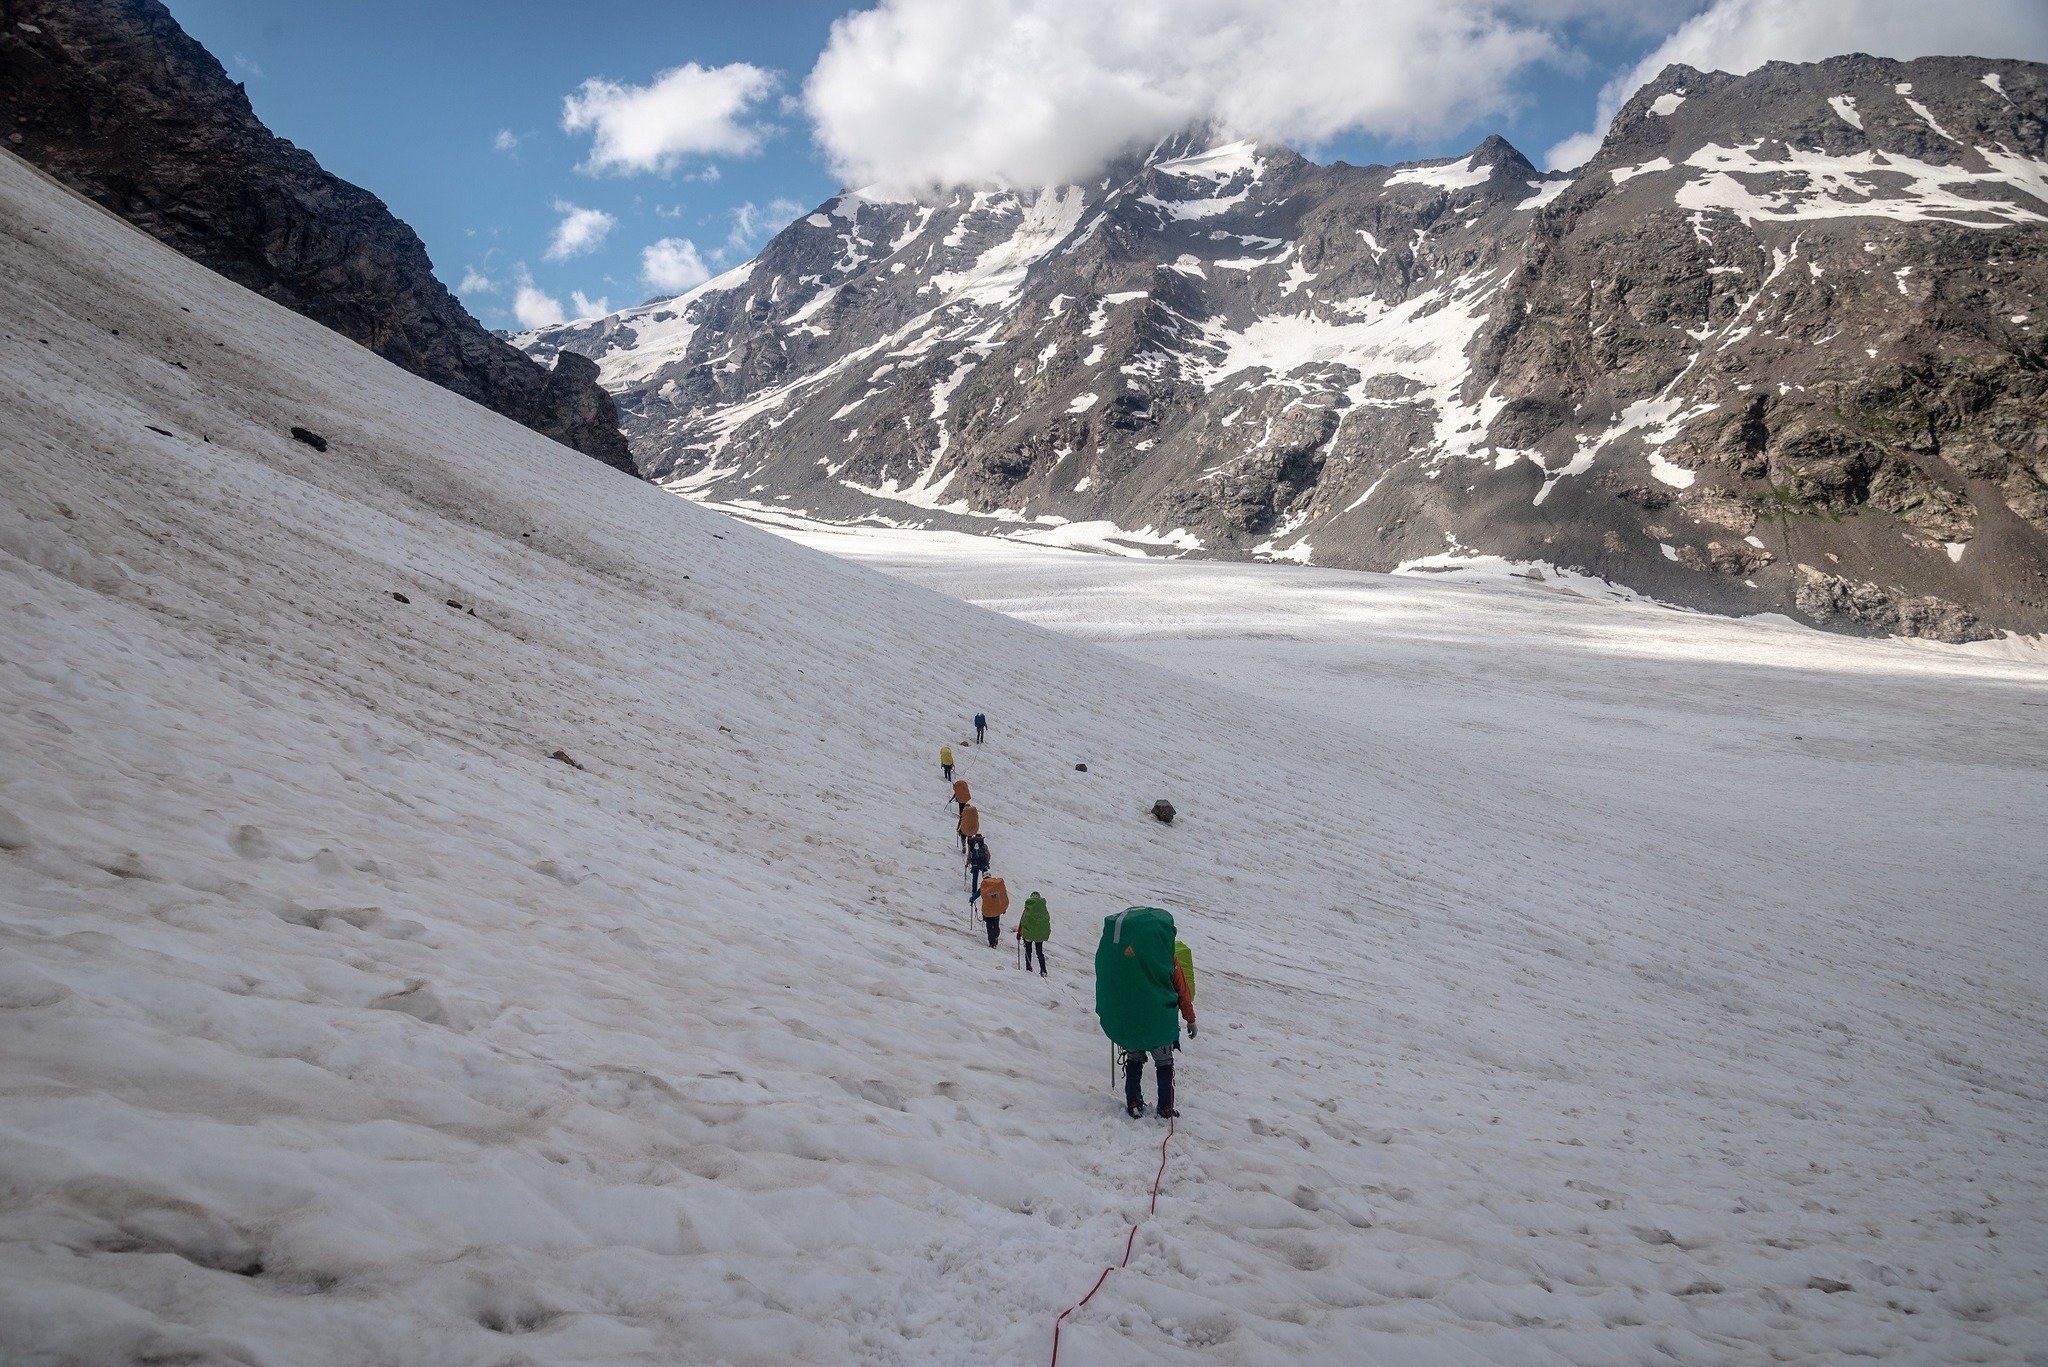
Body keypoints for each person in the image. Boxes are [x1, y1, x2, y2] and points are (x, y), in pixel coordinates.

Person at [1094, 906, 1196, 1119]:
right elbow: (1182, 991)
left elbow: (1109, 982)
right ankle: (1165, 1107)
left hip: (1129, 1021)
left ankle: (1133, 1102)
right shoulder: (1167, 959)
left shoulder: (1122, 959)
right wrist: (1190, 1019)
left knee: (1134, 1059)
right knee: (1165, 1062)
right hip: (1158, 1023)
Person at [1018, 890, 1050, 976]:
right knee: (1039, 952)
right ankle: (1043, 970)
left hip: (1028, 933)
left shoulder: (1029, 905)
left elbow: (1022, 919)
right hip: (1039, 934)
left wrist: (1019, 933)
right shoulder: (1043, 908)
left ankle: (1028, 968)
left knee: (1028, 951)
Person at [978, 874, 1009, 948]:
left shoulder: (984, 888)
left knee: (989, 927)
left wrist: (972, 899)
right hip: (996, 911)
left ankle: (991, 942)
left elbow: (977, 894)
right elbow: (1002, 897)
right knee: (996, 925)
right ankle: (995, 937)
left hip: (987, 911)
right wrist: (1003, 908)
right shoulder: (997, 887)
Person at [964, 832, 990, 898]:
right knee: (986, 878)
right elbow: (989, 855)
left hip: (975, 865)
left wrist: (967, 864)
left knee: (975, 879)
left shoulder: (972, 846)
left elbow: (969, 856)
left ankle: (974, 892)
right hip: (983, 864)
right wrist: (987, 862)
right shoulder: (984, 845)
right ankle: (987, 890)